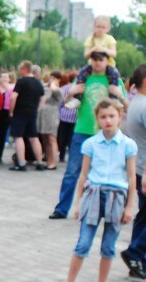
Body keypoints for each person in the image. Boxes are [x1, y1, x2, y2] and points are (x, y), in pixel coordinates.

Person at [59, 99, 136, 282]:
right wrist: (78, 203)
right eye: (103, 117)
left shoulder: (128, 145)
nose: (108, 120)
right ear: (97, 119)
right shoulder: (91, 144)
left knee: (109, 247)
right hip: (93, 195)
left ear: (120, 116)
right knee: (83, 243)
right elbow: (83, 174)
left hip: (117, 196)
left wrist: (130, 206)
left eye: (112, 116)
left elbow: (131, 178)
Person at [50, 51, 126, 219]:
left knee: (101, 172)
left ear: (107, 61)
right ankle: (62, 209)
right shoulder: (84, 77)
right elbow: (64, 103)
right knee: (72, 171)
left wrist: (119, 93)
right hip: (82, 130)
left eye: (101, 60)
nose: (97, 63)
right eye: (94, 60)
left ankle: (94, 209)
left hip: (105, 135)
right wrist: (71, 91)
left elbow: (125, 106)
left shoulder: (114, 80)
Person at [120, 64, 146, 281]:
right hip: (145, 168)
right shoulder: (144, 105)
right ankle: (135, 253)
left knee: (143, 215)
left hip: (138, 167)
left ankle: (138, 260)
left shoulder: (135, 103)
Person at [8, 61, 46, 172]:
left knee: (18, 137)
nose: (19, 70)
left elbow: (13, 97)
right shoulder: (38, 82)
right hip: (32, 112)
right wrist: (37, 108)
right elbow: (43, 98)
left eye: (20, 68)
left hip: (20, 112)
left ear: (24, 69)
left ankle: (21, 163)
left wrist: (11, 111)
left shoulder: (21, 81)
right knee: (34, 137)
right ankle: (39, 162)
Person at [38, 71, 62, 170]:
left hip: (52, 115)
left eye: (54, 78)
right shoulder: (46, 89)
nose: (51, 80)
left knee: (52, 138)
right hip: (43, 116)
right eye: (50, 78)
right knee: (45, 139)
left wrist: (53, 83)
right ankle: (48, 160)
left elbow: (54, 90)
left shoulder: (58, 90)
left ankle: (54, 162)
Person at [57, 71, 78, 162]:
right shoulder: (78, 89)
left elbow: (60, 103)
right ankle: (71, 155)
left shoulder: (63, 88)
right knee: (71, 137)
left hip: (63, 115)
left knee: (62, 136)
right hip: (75, 116)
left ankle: (61, 155)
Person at [0, 72, 14, 164]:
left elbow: (13, 99)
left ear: (9, 79)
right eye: (2, 77)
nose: (4, 79)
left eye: (6, 77)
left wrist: (7, 88)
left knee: (2, 135)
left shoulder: (12, 88)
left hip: (6, 113)